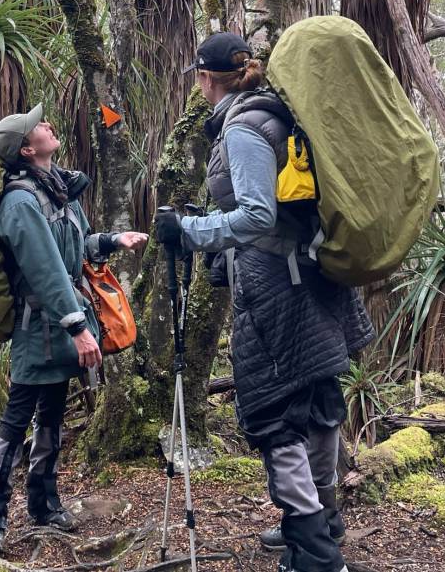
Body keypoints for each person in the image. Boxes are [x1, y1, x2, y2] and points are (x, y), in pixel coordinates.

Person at [154, 33, 374, 572]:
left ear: (206, 79)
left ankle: (316, 554)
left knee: (278, 416)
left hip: (279, 288)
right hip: (312, 277)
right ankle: (322, 522)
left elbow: (257, 216)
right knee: (318, 403)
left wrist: (189, 229)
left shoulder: (245, 127)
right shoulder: (279, 113)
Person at [0, 105, 148, 553]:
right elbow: (46, 269)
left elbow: (76, 248)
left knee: (51, 412)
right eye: (39, 126)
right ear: (28, 148)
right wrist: (79, 328)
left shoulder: (57, 192)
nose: (48, 124)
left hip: (65, 322)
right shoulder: (20, 202)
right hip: (39, 327)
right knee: (17, 419)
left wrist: (114, 240)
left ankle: (44, 502)